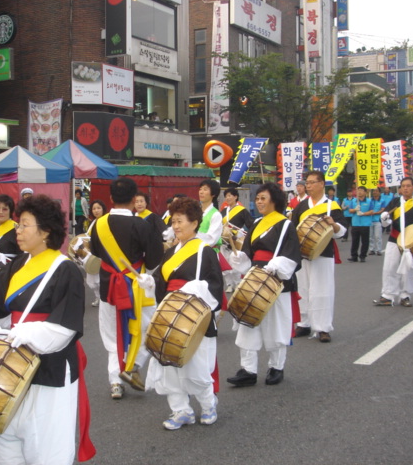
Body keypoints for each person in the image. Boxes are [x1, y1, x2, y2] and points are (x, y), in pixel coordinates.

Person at [0, 195, 95, 465]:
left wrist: (26, 333)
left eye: (24, 225)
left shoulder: (66, 270)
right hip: (12, 361)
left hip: (50, 366)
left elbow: (65, 327)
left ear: (45, 231)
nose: (17, 230)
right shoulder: (20, 264)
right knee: (6, 434)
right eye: (18, 225)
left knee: (45, 442)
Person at [144, 197, 223, 430]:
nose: (175, 226)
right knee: (168, 366)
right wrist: (149, 282)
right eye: (173, 221)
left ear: (195, 222)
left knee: (197, 367)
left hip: (193, 316)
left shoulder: (205, 252)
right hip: (171, 315)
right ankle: (180, 410)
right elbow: (162, 285)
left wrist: (194, 289)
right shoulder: (169, 254)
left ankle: (208, 405)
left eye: (180, 221)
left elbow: (215, 288)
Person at [89, 177, 163, 399]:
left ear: (110, 198)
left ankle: (115, 382)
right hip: (136, 288)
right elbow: (153, 260)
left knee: (112, 335)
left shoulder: (98, 224)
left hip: (107, 287)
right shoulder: (142, 224)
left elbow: (95, 253)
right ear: (134, 199)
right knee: (149, 327)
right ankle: (133, 365)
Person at [226, 183, 301, 388]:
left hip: (276, 278)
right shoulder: (257, 223)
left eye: (263, 198)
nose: (259, 202)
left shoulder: (285, 224)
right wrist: (240, 258)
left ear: (274, 200)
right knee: (247, 321)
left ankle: (276, 367)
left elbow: (293, 255)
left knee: (277, 324)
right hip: (254, 276)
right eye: (257, 198)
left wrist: (275, 266)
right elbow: (249, 252)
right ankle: (248, 370)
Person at [291, 171, 346, 343]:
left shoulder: (332, 206)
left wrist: (334, 225)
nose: (308, 185)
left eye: (312, 182)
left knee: (322, 291)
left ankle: (323, 327)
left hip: (323, 253)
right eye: (307, 182)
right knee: (303, 289)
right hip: (302, 254)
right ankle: (303, 323)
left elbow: (343, 231)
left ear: (322, 184)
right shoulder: (300, 206)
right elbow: (293, 229)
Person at [374, 177, 413, 307]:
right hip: (395, 238)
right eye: (403, 186)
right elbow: (386, 221)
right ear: (400, 188)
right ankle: (388, 295)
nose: (405, 188)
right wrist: (384, 218)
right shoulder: (395, 202)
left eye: (408, 186)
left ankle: (405, 295)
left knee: (410, 268)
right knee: (390, 266)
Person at [220, 187, 253, 293]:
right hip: (225, 240)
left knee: (235, 262)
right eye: (226, 196)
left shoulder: (242, 211)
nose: (228, 198)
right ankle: (229, 284)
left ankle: (237, 283)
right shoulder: (224, 211)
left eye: (230, 195)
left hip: (236, 239)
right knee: (226, 263)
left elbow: (250, 224)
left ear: (236, 197)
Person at [0, 194, 22, 263]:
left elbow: (23, 255)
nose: (0, 212)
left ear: (10, 211)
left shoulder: (18, 229)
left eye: (5, 209)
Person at [85, 200, 107, 307]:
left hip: (102, 255)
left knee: (100, 279)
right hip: (92, 255)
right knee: (92, 280)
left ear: (103, 209)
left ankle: (102, 299)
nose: (96, 210)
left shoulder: (106, 221)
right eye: (94, 208)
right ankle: (97, 297)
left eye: (98, 208)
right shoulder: (92, 222)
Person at [348, 186, 372, 263]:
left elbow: (371, 211)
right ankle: (354, 256)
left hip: (365, 224)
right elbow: (350, 210)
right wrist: (355, 209)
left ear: (365, 192)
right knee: (355, 241)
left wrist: (363, 213)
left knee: (365, 241)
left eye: (361, 190)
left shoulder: (369, 201)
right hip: (355, 223)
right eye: (358, 190)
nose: (359, 192)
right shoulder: (354, 201)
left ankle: (363, 256)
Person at [197, 179, 223, 249]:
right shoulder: (194, 211)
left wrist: (192, 236)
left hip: (208, 252)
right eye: (200, 189)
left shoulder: (216, 215)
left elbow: (211, 239)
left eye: (205, 190)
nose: (201, 192)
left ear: (213, 194)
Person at [368, 188, 385, 256]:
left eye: (376, 191)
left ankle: (379, 250)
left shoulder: (382, 200)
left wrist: (376, 213)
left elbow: (382, 209)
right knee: (370, 236)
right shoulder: (369, 200)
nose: (375, 192)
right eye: (374, 191)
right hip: (369, 220)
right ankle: (371, 249)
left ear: (379, 192)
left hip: (378, 220)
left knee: (378, 236)